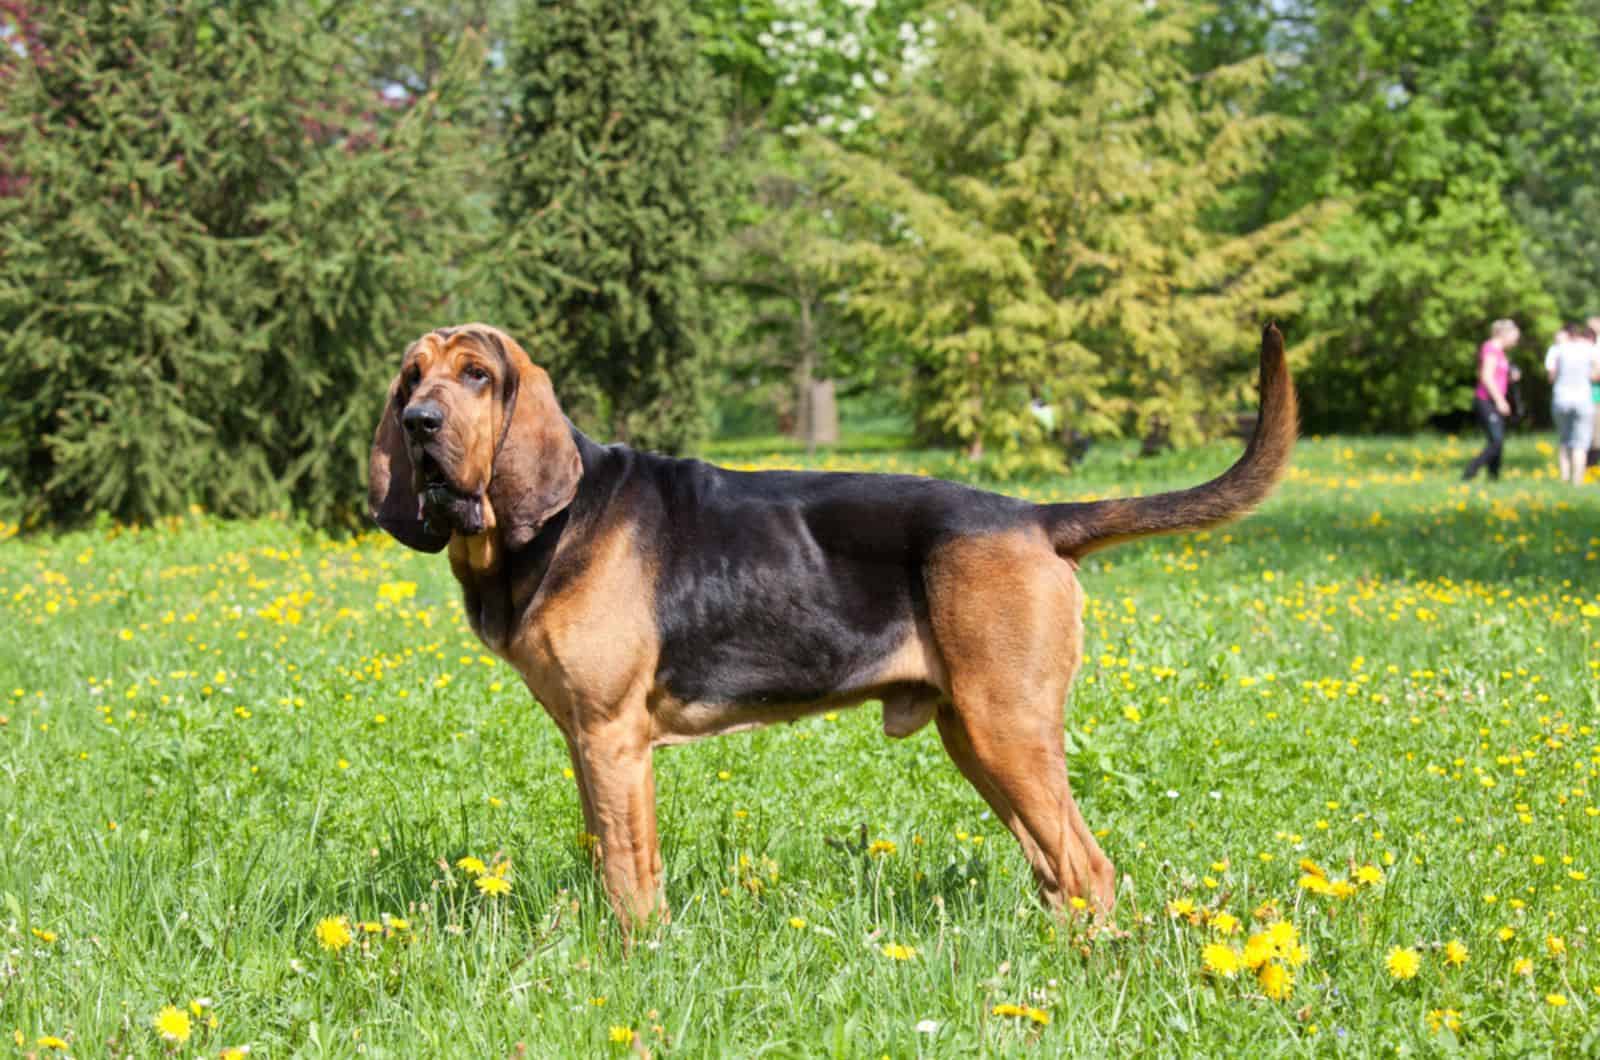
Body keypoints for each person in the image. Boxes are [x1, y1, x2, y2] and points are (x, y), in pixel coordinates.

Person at [1462, 319, 1520, 481]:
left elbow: (1498, 376)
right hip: (1486, 400)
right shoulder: (1490, 349)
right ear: (1504, 334)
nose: (1516, 341)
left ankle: (1493, 477)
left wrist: (1511, 377)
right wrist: (1500, 400)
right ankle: (1470, 471)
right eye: (1515, 337)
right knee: (1496, 440)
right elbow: (1486, 377)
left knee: (1498, 440)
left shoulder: (1500, 352)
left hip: (1494, 401)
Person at [1546, 322, 1600, 485]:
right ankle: (1577, 481)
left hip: (1561, 398)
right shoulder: (1589, 349)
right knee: (1581, 443)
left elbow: (1551, 376)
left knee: (1564, 440)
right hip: (1583, 399)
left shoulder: (1558, 350)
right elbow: (1596, 374)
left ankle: (1564, 477)